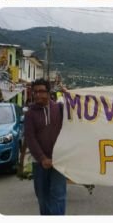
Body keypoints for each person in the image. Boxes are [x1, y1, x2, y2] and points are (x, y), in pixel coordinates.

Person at [25, 79, 66, 215]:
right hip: (40, 163)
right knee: (42, 197)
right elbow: (30, 138)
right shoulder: (30, 114)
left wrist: (69, 94)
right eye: (35, 92)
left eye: (42, 91)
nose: (38, 95)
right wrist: (42, 158)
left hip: (59, 161)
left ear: (49, 93)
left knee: (58, 196)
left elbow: (79, 110)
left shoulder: (59, 109)